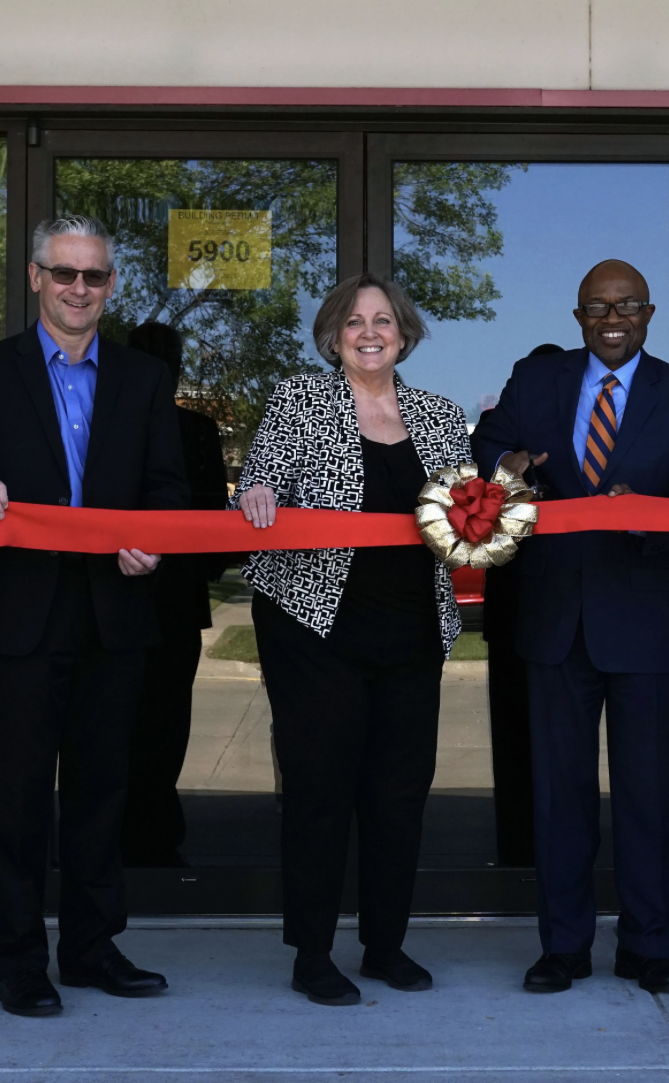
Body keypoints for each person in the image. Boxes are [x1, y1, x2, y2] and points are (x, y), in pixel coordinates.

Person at [0, 215, 189, 1017]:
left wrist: (154, 542)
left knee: (103, 792)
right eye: (65, 273)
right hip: (17, 615)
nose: (80, 289)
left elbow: (167, 489)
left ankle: (90, 948)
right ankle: (16, 959)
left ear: (111, 287)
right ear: (36, 277)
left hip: (114, 613)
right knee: (14, 797)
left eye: (95, 277)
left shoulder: (144, 379)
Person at [473, 259, 669, 995]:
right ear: (578, 317)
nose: (611, 318)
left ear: (648, 315)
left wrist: (642, 518)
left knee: (648, 794)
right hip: (554, 619)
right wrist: (509, 462)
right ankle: (564, 946)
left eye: (626, 306)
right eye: (596, 307)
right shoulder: (539, 380)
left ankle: (648, 947)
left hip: (645, 622)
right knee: (559, 796)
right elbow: (487, 447)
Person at [234, 273, 471, 1006]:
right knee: (320, 792)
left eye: (385, 320)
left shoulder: (440, 415)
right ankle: (311, 953)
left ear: (405, 333)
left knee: (399, 795)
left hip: (413, 633)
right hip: (315, 629)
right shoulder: (299, 402)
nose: (371, 332)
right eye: (355, 321)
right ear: (335, 334)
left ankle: (384, 945)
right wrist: (259, 494)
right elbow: (259, 488)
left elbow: (466, 520)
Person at [120, 319, 230, 867]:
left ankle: (123, 827)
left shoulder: (112, 423)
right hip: (174, 599)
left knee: (120, 718)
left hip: (132, 596)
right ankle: (154, 827)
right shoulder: (197, 430)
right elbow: (214, 519)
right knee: (163, 720)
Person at [483, 340, 566, 867]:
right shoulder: (497, 433)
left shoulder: (590, 426)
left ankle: (559, 851)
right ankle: (516, 852)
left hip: (577, 603)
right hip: (514, 608)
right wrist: (509, 474)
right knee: (513, 739)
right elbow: (472, 482)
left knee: (563, 747)